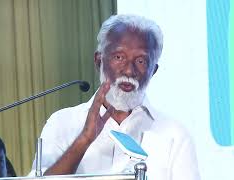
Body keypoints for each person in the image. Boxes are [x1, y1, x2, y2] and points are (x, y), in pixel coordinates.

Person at [29, 14, 200, 179]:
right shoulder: (61, 123)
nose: (129, 71)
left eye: (141, 61)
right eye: (119, 57)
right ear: (99, 61)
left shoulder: (175, 135)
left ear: (153, 71)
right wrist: (83, 140)